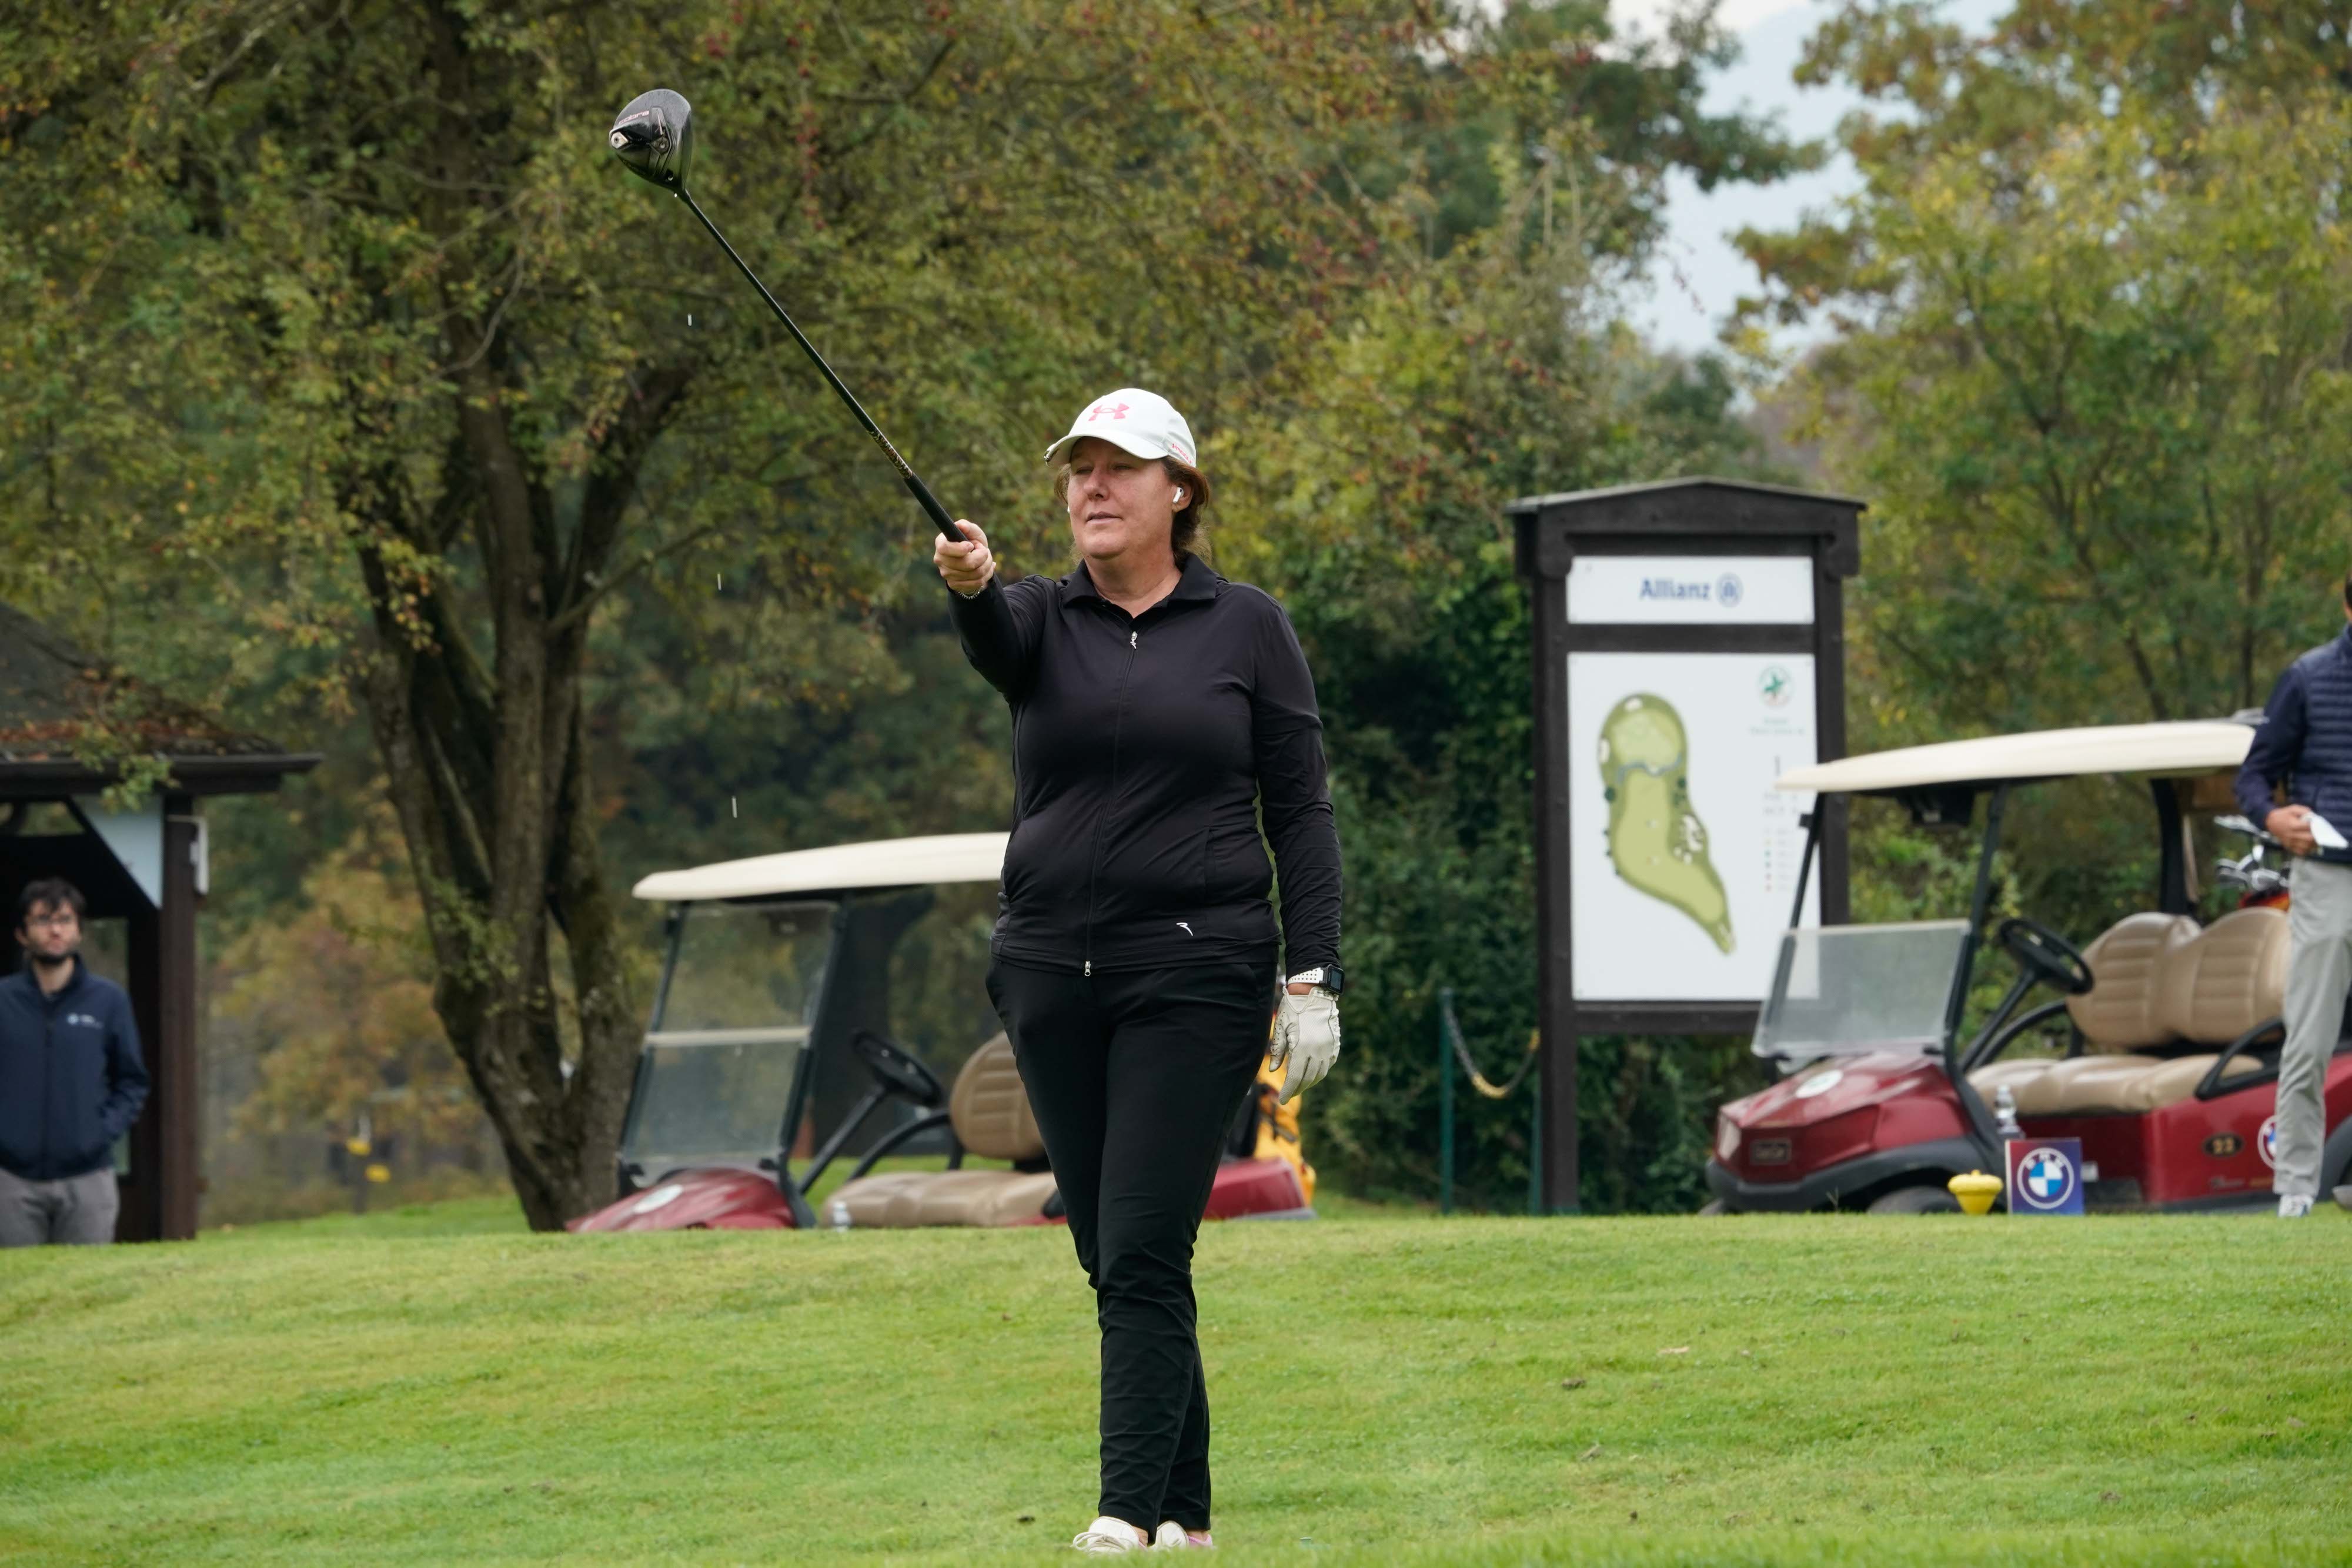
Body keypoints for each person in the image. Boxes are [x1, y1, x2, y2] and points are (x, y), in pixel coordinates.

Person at [934, 388, 1343, 1552]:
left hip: (1197, 972)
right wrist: (969, 584)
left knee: (1143, 1246)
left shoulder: (1247, 627)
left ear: (1180, 491)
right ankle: (1187, 1517)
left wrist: (1313, 971)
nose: (1092, 486)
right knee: (1112, 1253)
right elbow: (991, 636)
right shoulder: (1037, 616)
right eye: (1079, 468)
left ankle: (1123, 1509)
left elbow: (1301, 810)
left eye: (1118, 466)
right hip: (1047, 974)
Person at [2236, 572, 2352, 1219]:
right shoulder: (2308, 678)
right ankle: (2297, 1186)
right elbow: (2254, 777)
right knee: (2310, 1035)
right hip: (2329, 873)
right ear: (2347, 606)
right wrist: (2272, 818)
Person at [0, 878, 149, 1246]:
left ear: (79, 931)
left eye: (65, 920)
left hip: (88, 1180)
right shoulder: (3, 1000)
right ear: (22, 934)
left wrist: (99, 1134)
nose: (55, 930)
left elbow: (132, 1081)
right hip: (11, 1181)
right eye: (43, 920)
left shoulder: (109, 1001)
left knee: (87, 1279)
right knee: (16, 1281)